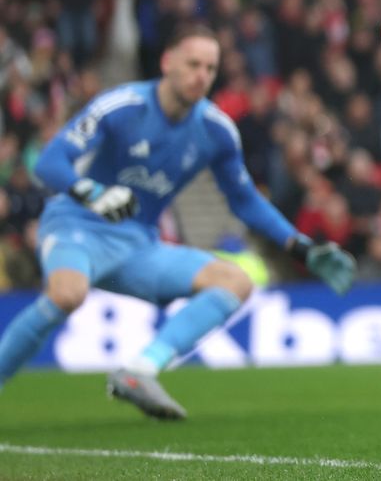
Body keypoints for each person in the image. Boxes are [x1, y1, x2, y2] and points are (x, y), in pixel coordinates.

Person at [0, 25, 355, 419]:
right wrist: (93, 193)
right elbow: (51, 161)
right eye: (193, 64)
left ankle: (140, 371)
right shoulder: (123, 105)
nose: (201, 75)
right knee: (68, 293)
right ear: (168, 62)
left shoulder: (216, 131)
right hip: (77, 226)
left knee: (235, 281)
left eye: (210, 68)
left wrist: (300, 245)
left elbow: (245, 200)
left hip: (138, 245)